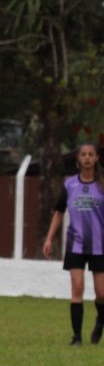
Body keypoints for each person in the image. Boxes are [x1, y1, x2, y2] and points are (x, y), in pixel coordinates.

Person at [42, 142, 104, 346]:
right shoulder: (70, 185)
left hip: (99, 245)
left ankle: (100, 320)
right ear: (78, 158)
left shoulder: (102, 183)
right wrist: (50, 238)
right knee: (77, 288)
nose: (87, 158)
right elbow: (59, 212)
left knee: (101, 293)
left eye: (91, 154)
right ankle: (76, 337)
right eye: (83, 154)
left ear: (96, 158)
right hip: (75, 244)